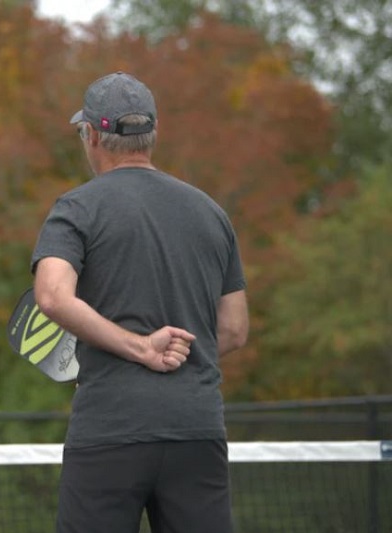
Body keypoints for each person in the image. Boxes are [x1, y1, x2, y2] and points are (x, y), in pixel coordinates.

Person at [31, 72, 249, 533]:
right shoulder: (212, 213)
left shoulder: (76, 208)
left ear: (91, 134)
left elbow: (51, 295)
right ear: (153, 133)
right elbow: (233, 330)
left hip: (110, 430)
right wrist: (175, 352)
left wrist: (140, 350)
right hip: (197, 430)